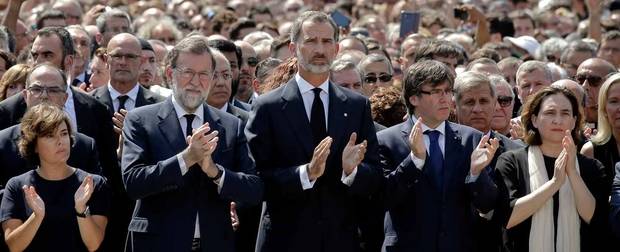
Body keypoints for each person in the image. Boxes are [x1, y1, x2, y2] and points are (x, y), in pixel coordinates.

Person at [247, 11, 381, 252]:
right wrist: (305, 173)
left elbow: (375, 177)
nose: (320, 49)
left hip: (341, 240)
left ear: (337, 48)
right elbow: (256, 178)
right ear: (293, 48)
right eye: (311, 41)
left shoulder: (357, 105)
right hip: (285, 240)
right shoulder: (269, 106)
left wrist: (352, 171)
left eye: (327, 41)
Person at [122, 35, 263, 252]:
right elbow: (133, 183)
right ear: (170, 74)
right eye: (188, 73)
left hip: (214, 243)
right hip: (157, 244)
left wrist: (215, 172)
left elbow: (253, 189)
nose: (196, 82)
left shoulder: (231, 125)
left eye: (204, 74)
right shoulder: (140, 120)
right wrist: (186, 158)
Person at [379, 60, 500, 252]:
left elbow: (487, 205)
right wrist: (415, 160)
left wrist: (477, 174)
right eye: (436, 92)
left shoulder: (472, 139)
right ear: (413, 99)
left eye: (448, 91)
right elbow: (382, 198)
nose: (445, 99)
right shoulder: (386, 140)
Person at [496, 87, 609, 252]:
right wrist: (555, 183)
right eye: (550, 113)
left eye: (565, 113)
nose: (558, 120)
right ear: (534, 120)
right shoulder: (511, 162)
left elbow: (594, 218)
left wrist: (572, 172)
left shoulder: (592, 167)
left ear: (574, 120)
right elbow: (508, 218)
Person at [0, 103, 110, 251]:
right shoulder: (17, 186)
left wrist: (81, 209)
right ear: (34, 145)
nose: (61, 141)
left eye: (64, 133)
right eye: (50, 135)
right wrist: (37, 216)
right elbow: (14, 246)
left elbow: (94, 244)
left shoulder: (92, 183)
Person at [0, 64, 101, 195]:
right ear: (25, 96)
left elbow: (97, 198)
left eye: (53, 90)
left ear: (65, 98)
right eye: (36, 89)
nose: (44, 96)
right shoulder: (3, 143)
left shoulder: (84, 146)